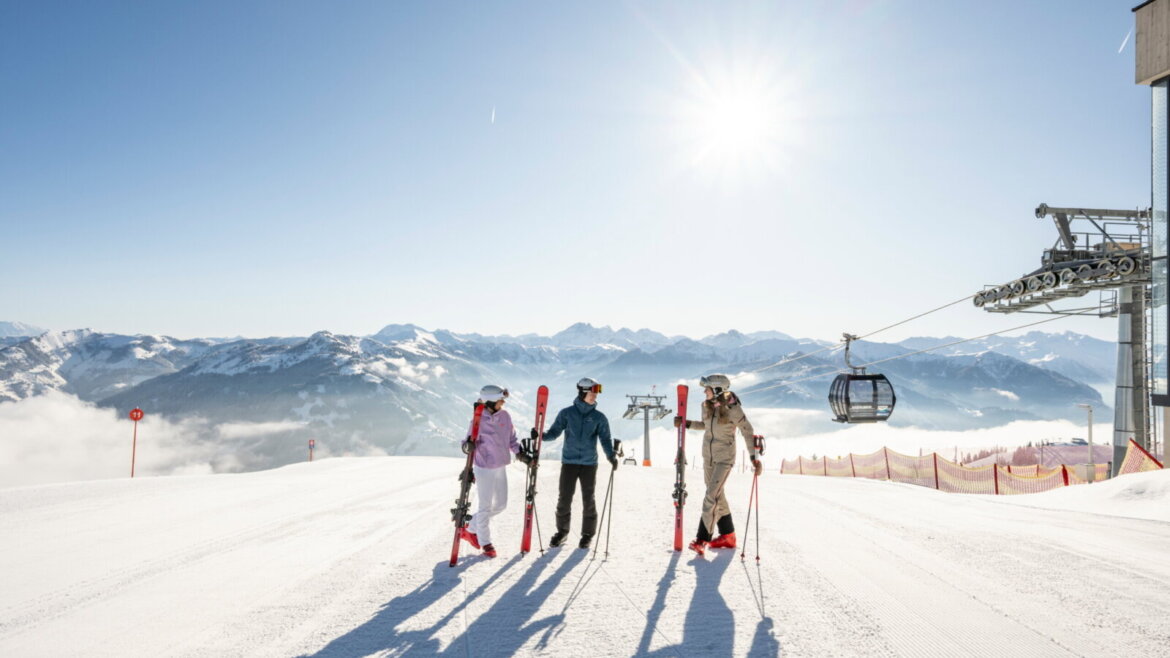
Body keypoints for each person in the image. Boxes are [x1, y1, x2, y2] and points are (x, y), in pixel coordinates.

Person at [675, 374, 761, 556]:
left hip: (724, 459)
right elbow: (706, 426)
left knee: (710, 497)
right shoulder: (705, 406)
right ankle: (728, 536)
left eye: (707, 388)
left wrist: (754, 457)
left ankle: (702, 539)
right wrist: (687, 424)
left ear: (717, 390)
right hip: (708, 458)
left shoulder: (732, 409)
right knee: (717, 496)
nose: (704, 391)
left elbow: (747, 430)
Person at [539, 377, 616, 549]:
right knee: (564, 498)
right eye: (592, 392)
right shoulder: (567, 413)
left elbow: (605, 439)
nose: (595, 395)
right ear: (582, 392)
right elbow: (554, 433)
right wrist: (540, 436)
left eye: (596, 392)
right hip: (569, 462)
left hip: (589, 464)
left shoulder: (599, 417)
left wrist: (611, 456)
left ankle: (587, 534)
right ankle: (562, 532)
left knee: (589, 499)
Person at [460, 384, 530, 558]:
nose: (503, 403)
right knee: (484, 506)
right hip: (483, 466)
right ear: (490, 402)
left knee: (500, 505)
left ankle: (470, 528)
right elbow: (466, 442)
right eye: (500, 400)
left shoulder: (505, 416)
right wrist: (467, 446)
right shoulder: (477, 419)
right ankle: (486, 543)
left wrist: (520, 454)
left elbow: (511, 439)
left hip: (500, 465)